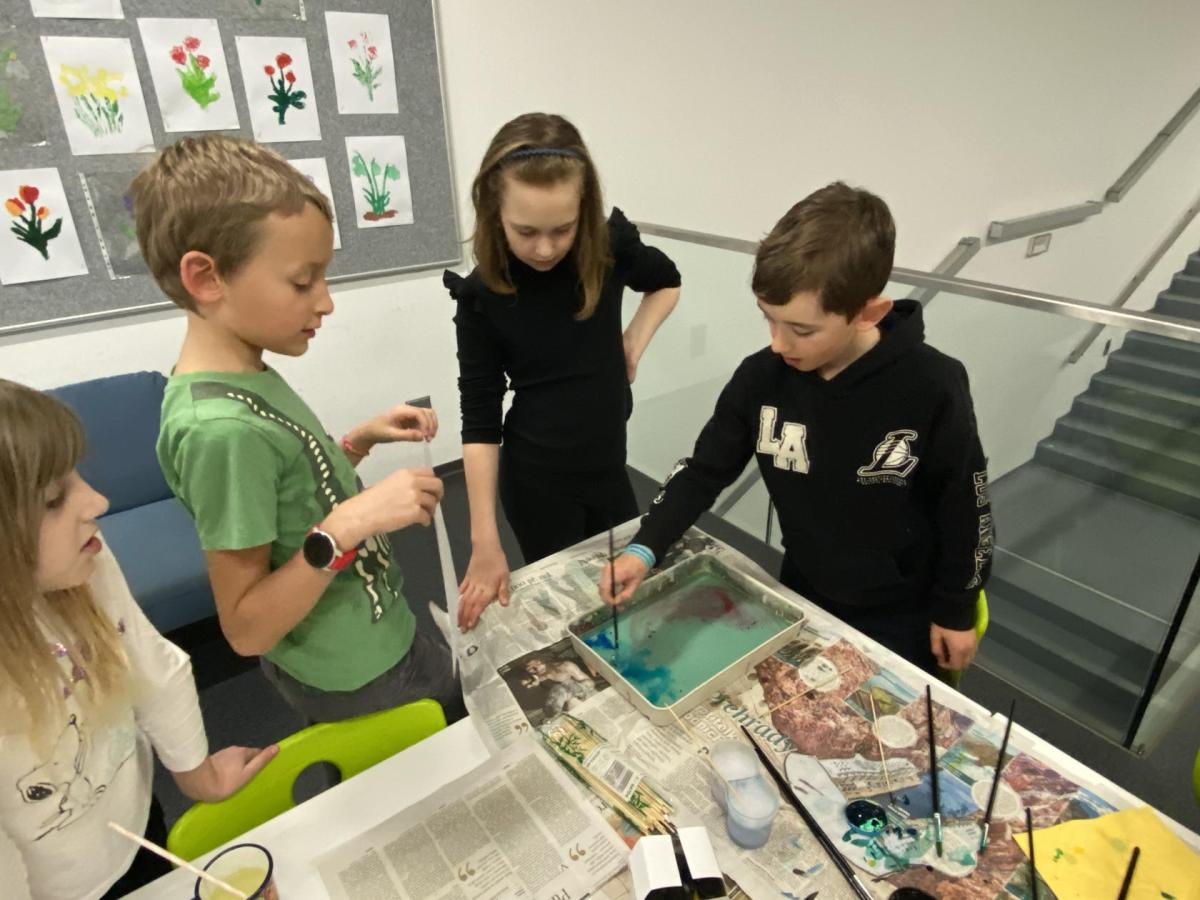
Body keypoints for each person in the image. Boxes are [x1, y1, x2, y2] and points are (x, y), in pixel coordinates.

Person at [130, 134, 458, 723]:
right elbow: (247, 628)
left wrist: (357, 442)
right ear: (206, 277)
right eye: (303, 281)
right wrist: (348, 526)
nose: (326, 302)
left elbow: (289, 493)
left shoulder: (246, 374)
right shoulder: (219, 431)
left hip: (374, 635)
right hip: (355, 676)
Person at [600, 183, 993, 674]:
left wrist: (956, 606)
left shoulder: (933, 384)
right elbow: (703, 472)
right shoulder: (760, 377)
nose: (779, 344)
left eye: (802, 330)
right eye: (769, 320)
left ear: (868, 313)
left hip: (903, 610)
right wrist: (646, 547)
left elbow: (965, 504)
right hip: (805, 583)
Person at [0, 380, 277, 900]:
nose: (98, 502)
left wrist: (199, 776)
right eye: (54, 499)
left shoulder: (87, 561)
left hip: (133, 826)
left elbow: (150, 664)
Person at [446, 112, 682, 631]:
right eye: (525, 231)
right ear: (494, 212)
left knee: (627, 594)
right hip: (538, 479)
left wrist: (633, 343)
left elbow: (666, 280)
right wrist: (484, 539)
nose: (546, 248)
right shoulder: (483, 295)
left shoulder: (608, 250)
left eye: (563, 229)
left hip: (608, 463)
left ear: (585, 210)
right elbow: (480, 421)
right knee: (574, 610)